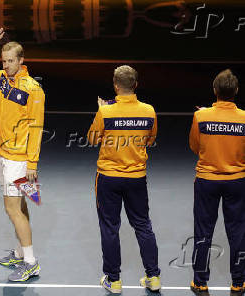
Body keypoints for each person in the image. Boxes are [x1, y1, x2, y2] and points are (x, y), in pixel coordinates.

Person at [0, 28, 45, 282]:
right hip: (3, 156)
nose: (6, 65)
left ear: (21, 61)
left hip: (19, 161)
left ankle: (31, 262)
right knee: (21, 206)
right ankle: (19, 252)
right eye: (3, 61)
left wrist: (32, 164)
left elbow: (36, 129)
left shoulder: (33, 89)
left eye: (11, 60)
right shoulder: (3, 79)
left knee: (12, 209)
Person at [88, 65, 161, 293]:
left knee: (110, 227)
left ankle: (114, 280)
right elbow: (150, 140)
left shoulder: (106, 112)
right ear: (136, 85)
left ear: (115, 86)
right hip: (136, 178)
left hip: (109, 178)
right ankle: (153, 277)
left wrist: (101, 110)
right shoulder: (149, 111)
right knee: (143, 225)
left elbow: (92, 139)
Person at [189, 69, 245, 295]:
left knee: (203, 231)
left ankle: (200, 283)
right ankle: (238, 283)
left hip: (207, 180)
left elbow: (195, 146)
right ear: (236, 91)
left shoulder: (201, 116)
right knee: (238, 231)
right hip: (237, 181)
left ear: (215, 91)